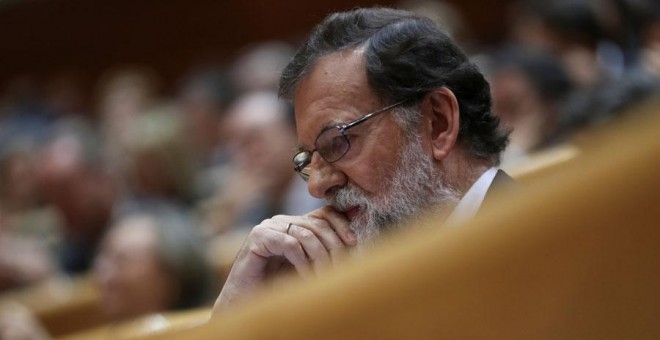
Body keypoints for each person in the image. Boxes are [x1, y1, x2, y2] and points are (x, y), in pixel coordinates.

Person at [212, 7, 510, 312]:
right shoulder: (398, 272)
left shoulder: (531, 249)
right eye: (308, 160)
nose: (316, 186)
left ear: (438, 122)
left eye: (338, 142)